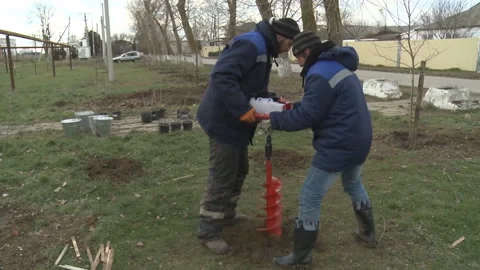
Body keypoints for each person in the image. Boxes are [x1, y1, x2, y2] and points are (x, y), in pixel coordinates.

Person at [259, 31, 377, 266]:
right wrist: (291, 106)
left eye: (298, 59)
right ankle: (368, 234)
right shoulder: (336, 66)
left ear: (306, 52)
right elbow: (321, 104)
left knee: (310, 195)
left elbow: (310, 116)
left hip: (339, 143)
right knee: (353, 183)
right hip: (360, 139)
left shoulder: (319, 73)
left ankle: (302, 256)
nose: (299, 64)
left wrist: (273, 120)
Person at [195, 17, 301, 255]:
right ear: (281, 36)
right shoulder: (251, 45)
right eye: (290, 43)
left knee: (240, 169)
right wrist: (242, 109)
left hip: (234, 122)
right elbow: (222, 76)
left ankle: (227, 214)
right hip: (223, 120)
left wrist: (272, 99)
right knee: (223, 173)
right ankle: (208, 229)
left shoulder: (263, 47)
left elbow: (250, 86)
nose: (290, 49)